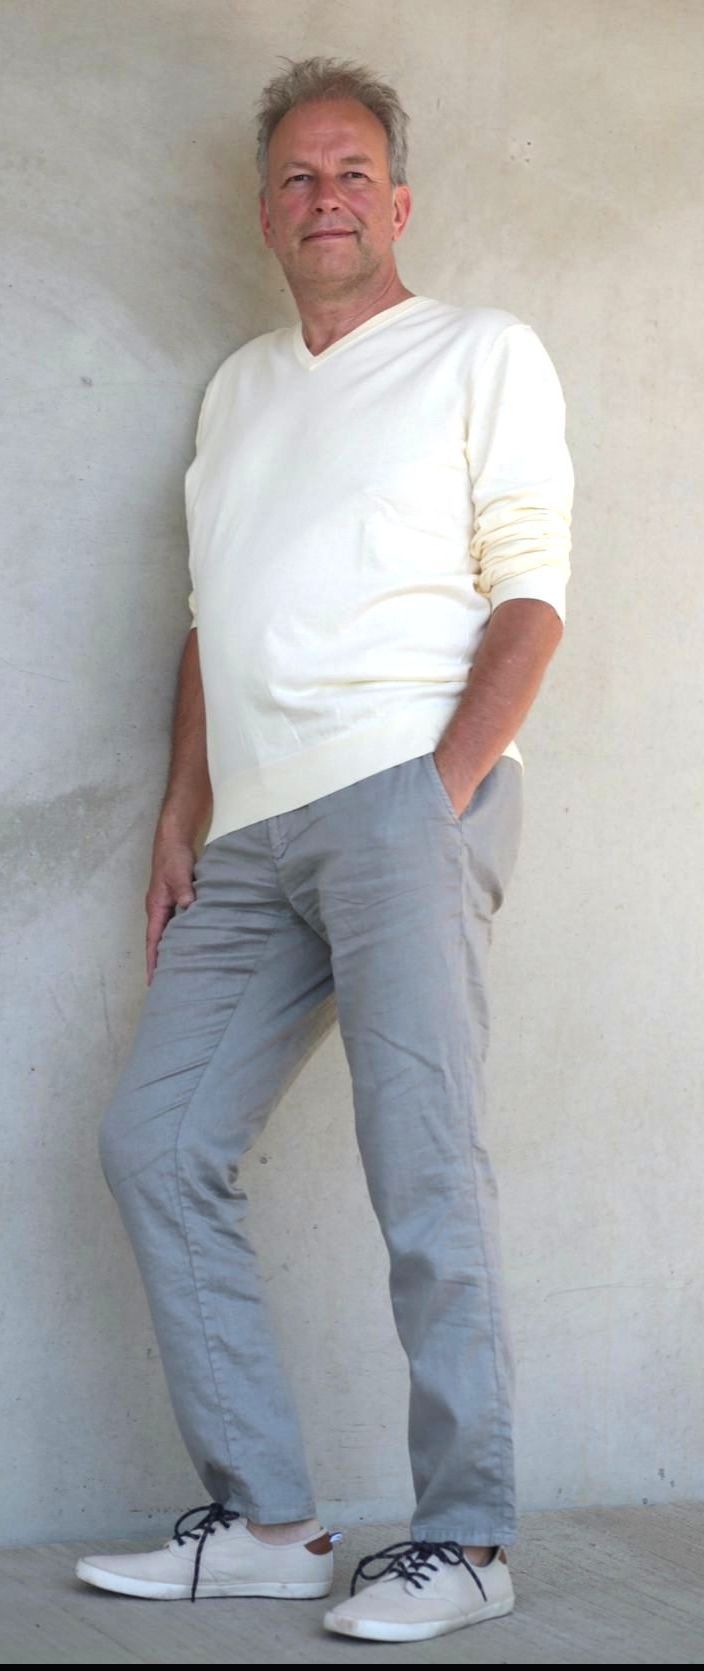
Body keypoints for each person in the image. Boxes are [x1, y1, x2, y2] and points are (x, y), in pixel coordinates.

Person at [75, 53, 574, 1644]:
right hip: (248, 836)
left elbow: (533, 595)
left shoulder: (481, 352)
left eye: (354, 172)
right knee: (156, 1143)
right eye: (298, 176)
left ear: (399, 203)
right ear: (266, 215)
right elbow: (211, 622)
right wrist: (182, 813)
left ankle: (469, 1540)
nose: (326, 197)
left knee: (422, 1171)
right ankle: (272, 1524)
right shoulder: (237, 390)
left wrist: (439, 791)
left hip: (400, 798)